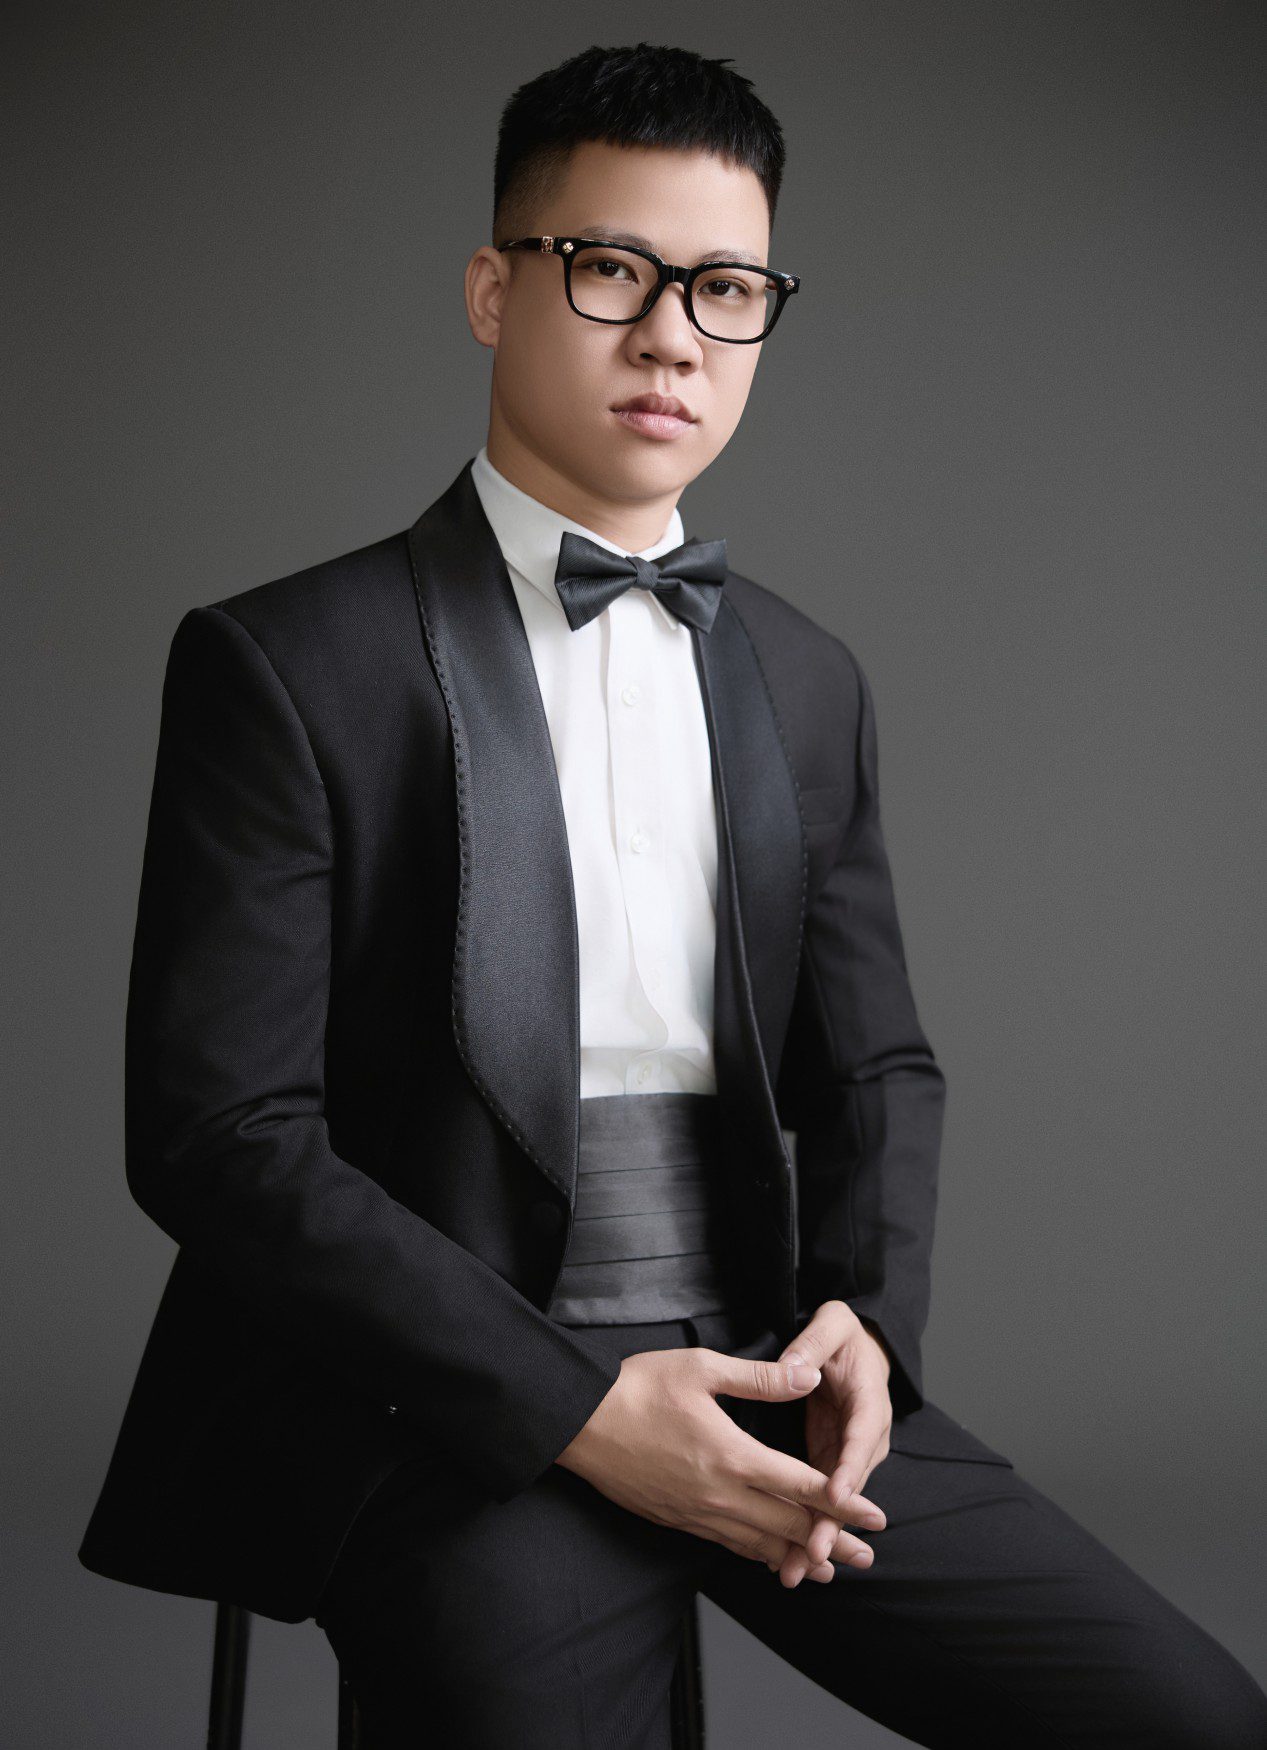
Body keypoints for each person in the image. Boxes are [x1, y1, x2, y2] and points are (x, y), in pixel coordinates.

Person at [79, 39, 1266, 1750]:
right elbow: (219, 1137)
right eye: (610, 268)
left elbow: (878, 1064)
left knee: (1194, 1719)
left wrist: (866, 1320)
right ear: (495, 291)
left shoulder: (809, 674)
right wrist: (573, 1404)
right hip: (446, 1379)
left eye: (725, 287)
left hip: (766, 1351)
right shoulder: (286, 661)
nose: (671, 336)